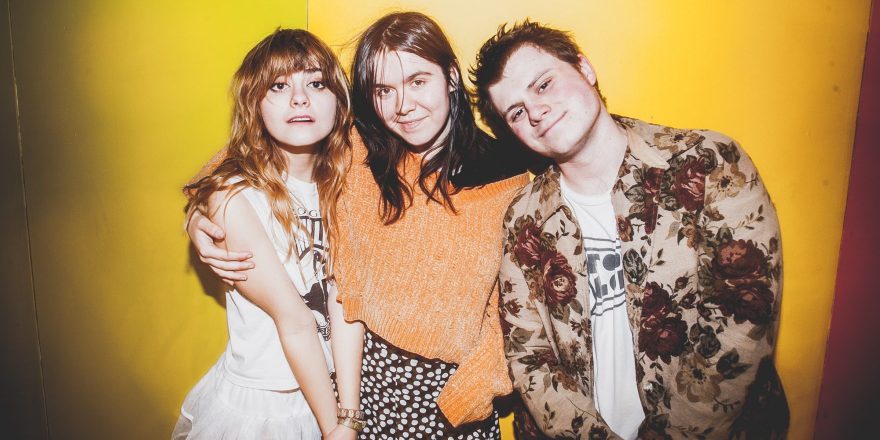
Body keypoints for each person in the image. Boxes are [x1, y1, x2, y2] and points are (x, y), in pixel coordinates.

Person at [185, 12, 535, 439]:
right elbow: (251, 148)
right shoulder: (360, 148)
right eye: (384, 90)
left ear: (450, 76)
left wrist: (472, 392)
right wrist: (202, 212)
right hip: (358, 388)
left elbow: (517, 308)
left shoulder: (511, 177)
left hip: (451, 401)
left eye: (418, 81)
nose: (403, 105)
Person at [471, 21, 790, 439]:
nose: (535, 111)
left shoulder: (708, 163)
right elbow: (528, 354)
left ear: (585, 69)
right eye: (515, 112)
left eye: (544, 84)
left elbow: (744, 313)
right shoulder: (523, 219)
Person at [172, 29, 359, 439]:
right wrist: (338, 427)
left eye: (316, 83)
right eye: (278, 86)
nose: (300, 98)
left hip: (331, 393)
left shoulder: (348, 183)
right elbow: (296, 322)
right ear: (254, 103)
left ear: (339, 101)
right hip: (266, 409)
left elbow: (348, 302)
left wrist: (347, 415)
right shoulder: (233, 195)